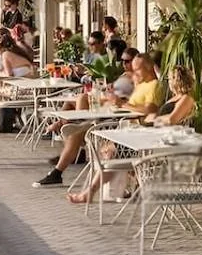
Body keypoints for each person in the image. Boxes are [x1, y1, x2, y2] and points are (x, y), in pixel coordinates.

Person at [33, 53, 164, 188]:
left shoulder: (154, 85)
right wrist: (115, 101)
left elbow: (150, 109)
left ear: (149, 67)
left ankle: (60, 171)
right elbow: (131, 103)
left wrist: (121, 104)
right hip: (118, 121)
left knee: (78, 136)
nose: (134, 72)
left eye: (137, 69)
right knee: (76, 134)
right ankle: (58, 171)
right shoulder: (142, 84)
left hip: (128, 126)